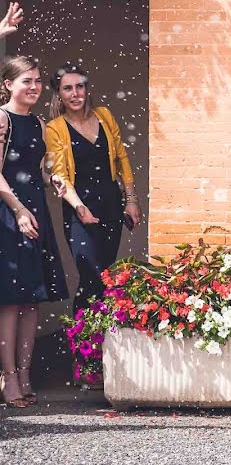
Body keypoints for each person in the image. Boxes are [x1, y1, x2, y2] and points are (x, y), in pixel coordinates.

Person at [0, 56, 68, 408]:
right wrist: (19, 210)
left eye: (38, 80)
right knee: (10, 301)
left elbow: (38, 168)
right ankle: (8, 378)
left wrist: (52, 178)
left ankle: (25, 374)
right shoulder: (2, 118)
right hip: (9, 213)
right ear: (8, 84)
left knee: (30, 300)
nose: (35, 86)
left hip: (35, 211)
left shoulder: (39, 123)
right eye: (27, 80)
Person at [45, 63, 140, 313]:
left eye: (80, 86)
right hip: (79, 208)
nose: (75, 93)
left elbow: (122, 158)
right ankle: (83, 344)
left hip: (110, 203)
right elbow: (60, 175)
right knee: (89, 271)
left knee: (105, 275)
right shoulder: (55, 128)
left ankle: (99, 342)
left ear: (87, 89)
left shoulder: (104, 116)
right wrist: (79, 207)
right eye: (68, 88)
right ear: (58, 94)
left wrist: (131, 199)